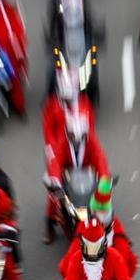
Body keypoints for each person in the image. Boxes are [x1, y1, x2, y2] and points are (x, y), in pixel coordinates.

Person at [43, 68, 110, 244]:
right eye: (73, 137)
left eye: (81, 137)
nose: (77, 140)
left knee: (103, 203)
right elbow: (50, 135)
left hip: (84, 172)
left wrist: (104, 178)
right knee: (54, 198)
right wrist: (54, 179)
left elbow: (100, 158)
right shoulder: (53, 107)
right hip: (60, 160)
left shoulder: (86, 108)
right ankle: (49, 225)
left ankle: (107, 231)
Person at [58, 176, 136, 276]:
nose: (102, 223)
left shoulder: (86, 227)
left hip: (101, 279)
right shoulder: (114, 225)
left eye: (104, 216)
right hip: (103, 279)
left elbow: (65, 266)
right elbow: (129, 263)